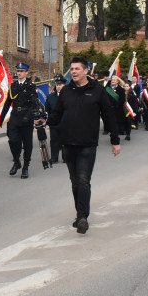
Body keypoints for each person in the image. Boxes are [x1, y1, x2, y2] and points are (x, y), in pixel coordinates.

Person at [42, 56, 121, 234]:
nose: (74, 72)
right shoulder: (66, 91)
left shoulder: (98, 90)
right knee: (75, 181)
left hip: (88, 144)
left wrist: (115, 141)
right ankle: (80, 214)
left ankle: (83, 216)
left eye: (78, 69)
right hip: (68, 143)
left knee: (84, 179)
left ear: (86, 71)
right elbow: (56, 115)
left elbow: (109, 116)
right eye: (72, 69)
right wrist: (44, 120)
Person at [0, 63, 42, 179]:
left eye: (22, 71)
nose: (19, 73)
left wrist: (27, 117)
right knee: (13, 140)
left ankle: (25, 167)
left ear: (26, 73)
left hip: (26, 118)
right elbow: (8, 102)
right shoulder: (13, 86)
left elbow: (34, 103)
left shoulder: (31, 86)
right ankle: (17, 162)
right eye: (18, 71)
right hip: (15, 116)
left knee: (27, 144)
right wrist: (2, 116)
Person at [45, 75, 65, 163]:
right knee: (54, 140)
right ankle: (54, 157)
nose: (59, 86)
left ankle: (65, 157)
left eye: (60, 85)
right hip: (54, 123)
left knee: (65, 140)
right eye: (57, 85)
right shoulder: (50, 97)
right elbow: (47, 109)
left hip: (65, 122)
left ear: (64, 85)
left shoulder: (68, 96)